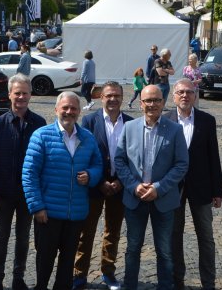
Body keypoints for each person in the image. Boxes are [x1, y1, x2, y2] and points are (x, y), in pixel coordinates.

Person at [23, 91, 103, 290]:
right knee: (44, 261)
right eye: (65, 107)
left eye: (73, 108)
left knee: (68, 263)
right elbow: (29, 174)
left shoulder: (87, 137)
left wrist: (91, 176)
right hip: (48, 213)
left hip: (75, 213)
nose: (69, 112)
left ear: (79, 112)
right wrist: (37, 207)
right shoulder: (41, 135)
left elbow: (98, 165)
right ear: (56, 109)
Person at [113, 85, 189, 290]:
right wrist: (133, 186)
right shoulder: (129, 128)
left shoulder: (175, 130)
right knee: (133, 247)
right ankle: (130, 285)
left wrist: (159, 187)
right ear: (141, 103)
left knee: (164, 249)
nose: (152, 104)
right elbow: (119, 161)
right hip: (134, 198)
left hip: (163, 199)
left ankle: (165, 285)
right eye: (148, 100)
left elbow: (181, 164)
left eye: (156, 100)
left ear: (163, 103)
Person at [0, 75, 47, 290]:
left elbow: (43, 160)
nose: (21, 97)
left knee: (23, 238)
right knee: (1, 237)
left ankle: (18, 277)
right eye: (17, 93)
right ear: (9, 95)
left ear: (30, 95)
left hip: (28, 193)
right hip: (3, 192)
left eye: (25, 93)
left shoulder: (39, 123)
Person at [73, 82, 134, 290]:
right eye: (109, 95)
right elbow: (85, 155)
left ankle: (108, 272)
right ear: (101, 98)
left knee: (113, 232)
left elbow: (134, 159)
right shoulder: (90, 120)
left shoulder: (131, 123)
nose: (113, 99)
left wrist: (119, 182)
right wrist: (99, 182)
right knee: (86, 232)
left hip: (120, 186)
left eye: (117, 95)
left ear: (122, 97)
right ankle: (79, 274)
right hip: (94, 187)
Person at [163, 79, 222, 290]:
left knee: (206, 237)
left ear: (195, 96)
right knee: (173, 236)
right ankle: (176, 279)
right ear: (173, 96)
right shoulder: (165, 120)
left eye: (189, 92)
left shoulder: (207, 120)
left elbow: (213, 156)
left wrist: (218, 191)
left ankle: (208, 282)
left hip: (202, 187)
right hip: (172, 189)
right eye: (180, 92)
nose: (185, 96)